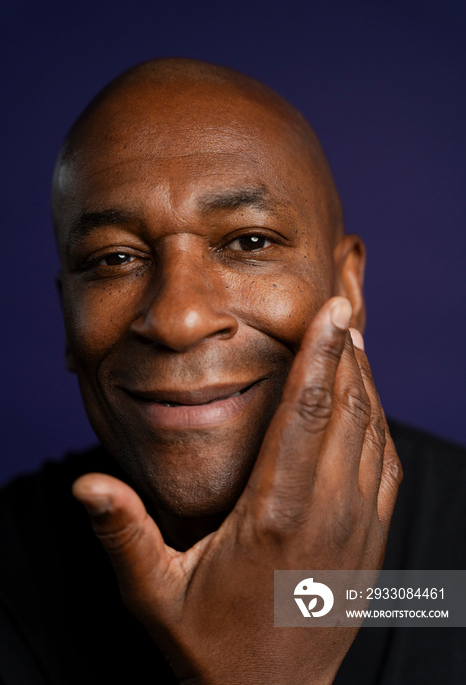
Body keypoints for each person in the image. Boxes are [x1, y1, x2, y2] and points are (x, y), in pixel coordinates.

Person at [0, 58, 464, 684]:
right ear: (66, 315)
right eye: (113, 258)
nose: (178, 318)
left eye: (249, 242)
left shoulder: (452, 572)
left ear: (347, 286)